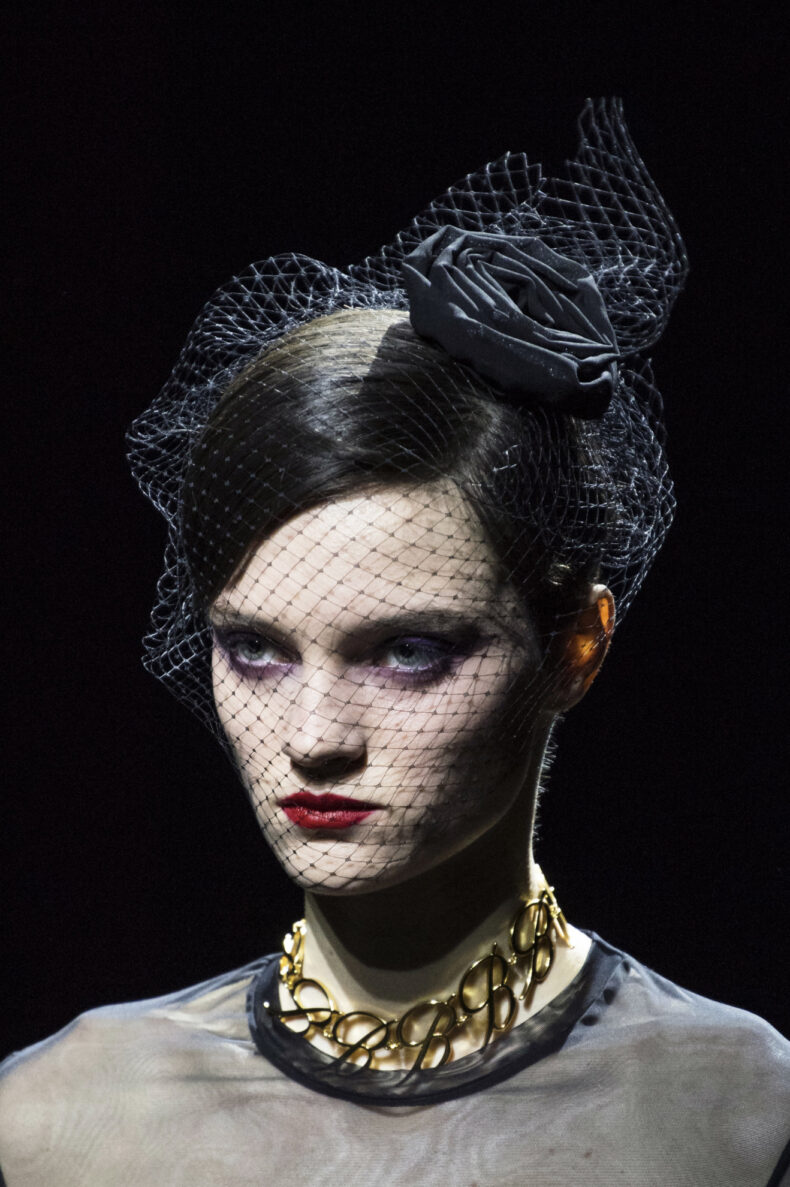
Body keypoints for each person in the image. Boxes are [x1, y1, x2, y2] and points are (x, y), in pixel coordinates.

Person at [1, 99, 788, 1186]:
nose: (314, 738)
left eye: (409, 651)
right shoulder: (54, 1120)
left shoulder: (743, 1119)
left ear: (576, 644)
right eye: (255, 649)